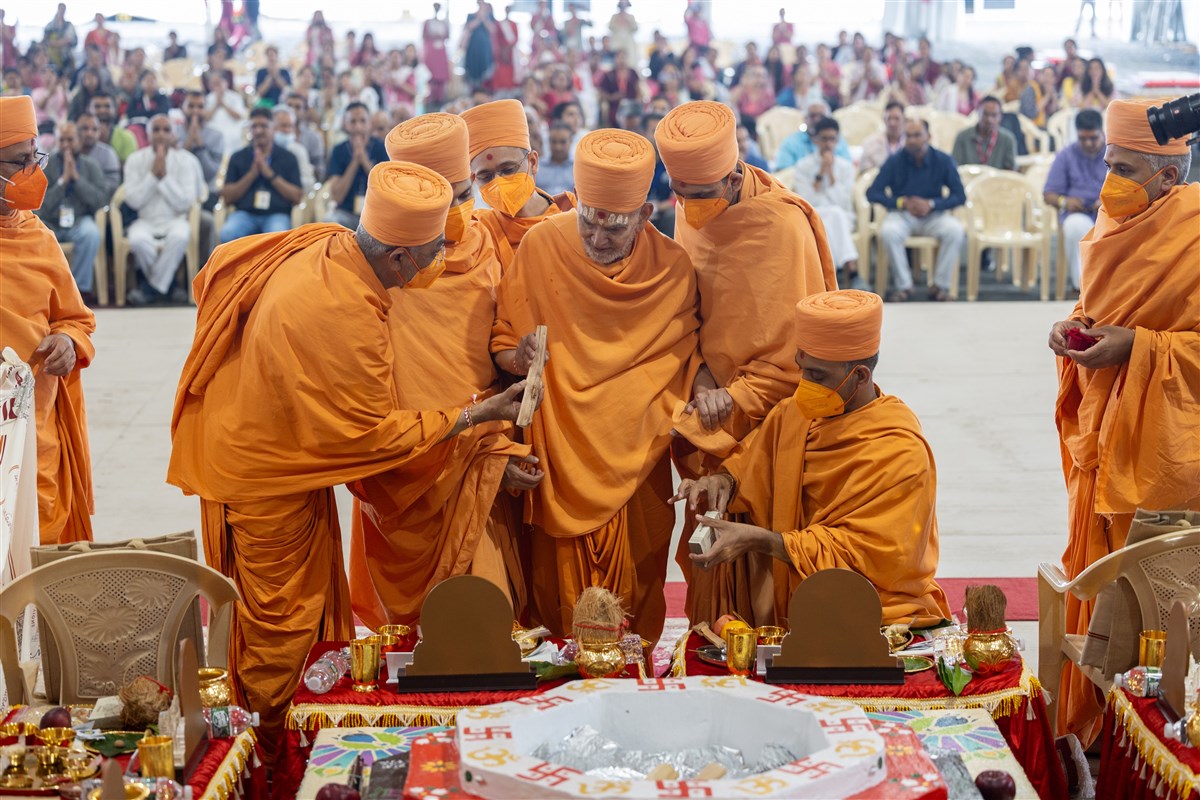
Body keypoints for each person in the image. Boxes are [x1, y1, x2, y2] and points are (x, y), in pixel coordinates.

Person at [168, 159, 536, 760]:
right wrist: (478, 413)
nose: (439, 262)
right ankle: (272, 757)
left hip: (273, 444)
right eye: (430, 254)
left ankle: (294, 739)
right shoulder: (344, 312)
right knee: (282, 625)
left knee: (309, 611)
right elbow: (373, 436)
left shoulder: (327, 245)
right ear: (396, 259)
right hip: (262, 473)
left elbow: (219, 268)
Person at [491, 128, 700, 644]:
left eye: (615, 228)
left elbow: (682, 363)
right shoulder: (542, 245)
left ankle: (633, 691)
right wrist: (514, 356)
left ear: (647, 215)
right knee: (558, 604)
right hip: (561, 453)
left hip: (639, 456)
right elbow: (503, 339)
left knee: (638, 588)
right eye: (588, 222)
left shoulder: (673, 269)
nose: (597, 239)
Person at [1048, 98, 1199, 745]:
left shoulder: (1193, 230)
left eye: (1127, 167)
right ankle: (1100, 731)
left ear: (1169, 174)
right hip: (1105, 431)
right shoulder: (1109, 225)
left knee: (1154, 597)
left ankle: (1154, 733)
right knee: (1101, 580)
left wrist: (1136, 347)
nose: (1111, 179)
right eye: (1108, 163)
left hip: (1167, 445)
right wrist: (1074, 329)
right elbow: (1101, 307)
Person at [348, 113, 537, 628]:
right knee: (412, 634)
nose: (458, 212)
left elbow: (502, 355)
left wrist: (499, 451)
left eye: (463, 194)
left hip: (482, 454)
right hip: (408, 465)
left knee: (486, 615)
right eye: (443, 200)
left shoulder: (491, 241)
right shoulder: (383, 265)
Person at [654, 101, 836, 625]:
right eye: (679, 195)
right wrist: (703, 376)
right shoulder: (693, 205)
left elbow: (797, 357)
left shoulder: (778, 226)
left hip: (765, 414)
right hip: (708, 395)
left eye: (700, 195)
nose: (688, 207)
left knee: (764, 559)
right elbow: (693, 308)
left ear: (733, 179)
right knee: (710, 551)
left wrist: (731, 396)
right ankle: (714, 646)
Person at [673, 290, 951, 628]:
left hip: (871, 611)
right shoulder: (795, 414)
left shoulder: (900, 450)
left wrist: (762, 540)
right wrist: (721, 482)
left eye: (818, 377)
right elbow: (752, 464)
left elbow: (871, 555)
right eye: (802, 369)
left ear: (860, 376)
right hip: (792, 600)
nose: (804, 385)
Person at [0, 96, 95, 544]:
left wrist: (68, 342)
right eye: (19, 162)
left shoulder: (40, 237)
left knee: (42, 544)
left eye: (35, 158)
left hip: (35, 426)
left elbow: (76, 319)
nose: (33, 173)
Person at [462, 98, 568, 272]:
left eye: (508, 169)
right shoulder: (478, 231)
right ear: (473, 180)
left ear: (533, 162)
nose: (498, 183)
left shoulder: (570, 217)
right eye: (485, 176)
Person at [869, 118, 966, 302]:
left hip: (933, 215)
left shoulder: (943, 160)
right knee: (888, 232)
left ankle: (939, 286)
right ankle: (904, 286)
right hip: (902, 215)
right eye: (909, 136)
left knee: (955, 230)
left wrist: (932, 204)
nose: (912, 140)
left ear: (928, 136)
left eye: (917, 135)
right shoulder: (895, 161)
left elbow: (959, 196)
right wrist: (901, 203)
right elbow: (873, 193)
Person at [122, 115, 207, 305]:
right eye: (156, 130)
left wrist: (165, 179)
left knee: (180, 236)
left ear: (173, 134)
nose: (161, 134)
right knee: (137, 240)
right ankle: (168, 287)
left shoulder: (186, 160)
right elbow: (133, 200)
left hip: (175, 219)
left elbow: (185, 202)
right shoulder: (135, 160)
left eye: (166, 130)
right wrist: (153, 177)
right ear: (148, 134)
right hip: (145, 220)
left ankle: (150, 288)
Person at [34, 121, 108, 299]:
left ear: (79, 141)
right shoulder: (45, 166)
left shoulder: (91, 165)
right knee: (36, 233)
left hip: (79, 220)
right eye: (62, 140)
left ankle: (79, 290)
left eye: (70, 140)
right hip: (51, 221)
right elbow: (38, 205)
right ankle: (48, 290)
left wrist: (76, 179)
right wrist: (62, 182)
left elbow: (100, 200)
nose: (66, 145)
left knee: (91, 233)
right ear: (56, 142)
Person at [793, 117, 863, 288]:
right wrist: (822, 171)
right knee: (830, 216)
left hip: (841, 216)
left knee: (835, 215)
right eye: (824, 139)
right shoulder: (803, 166)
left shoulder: (846, 167)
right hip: (814, 214)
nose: (828, 144)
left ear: (837, 141)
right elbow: (807, 200)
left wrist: (830, 173)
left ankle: (829, 276)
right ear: (816, 140)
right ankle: (851, 270)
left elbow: (842, 201)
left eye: (832, 139)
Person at [1042, 109, 1106, 292]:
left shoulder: (1115, 152)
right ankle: (1083, 290)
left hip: (1111, 213)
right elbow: (1049, 193)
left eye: (1093, 138)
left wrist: (1109, 201)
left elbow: (1132, 187)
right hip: (1079, 214)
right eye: (1083, 138)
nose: (1088, 143)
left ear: (1101, 131)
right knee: (1075, 227)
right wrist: (1064, 201)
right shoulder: (1066, 155)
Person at [218, 107, 302, 242]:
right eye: (254, 126)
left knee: (278, 238)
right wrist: (251, 174)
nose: (258, 131)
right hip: (245, 214)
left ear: (273, 129)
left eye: (264, 126)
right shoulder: (238, 157)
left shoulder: (288, 157)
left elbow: (297, 196)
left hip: (277, 214)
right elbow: (227, 198)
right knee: (228, 233)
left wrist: (270, 174)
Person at [325, 102, 388, 229]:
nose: (358, 127)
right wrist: (354, 161)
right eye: (353, 122)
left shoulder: (382, 147)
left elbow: (386, 188)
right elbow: (337, 196)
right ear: (346, 125)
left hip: (375, 214)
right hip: (346, 213)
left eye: (362, 121)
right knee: (329, 221)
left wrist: (364, 160)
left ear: (369, 123)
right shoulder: (338, 150)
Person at [774, 100, 852, 171]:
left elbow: (848, 169)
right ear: (805, 119)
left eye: (821, 116)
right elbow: (783, 172)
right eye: (812, 116)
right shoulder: (791, 143)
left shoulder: (839, 142)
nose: (817, 120)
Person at [951, 96, 1017, 171]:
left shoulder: (1007, 139)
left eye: (994, 115)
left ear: (1000, 117)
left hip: (997, 181)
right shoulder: (963, 137)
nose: (989, 120)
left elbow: (1011, 171)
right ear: (978, 113)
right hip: (968, 180)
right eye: (985, 114)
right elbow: (955, 167)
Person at [178, 90, 224, 199]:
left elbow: (210, 173)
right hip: (178, 191)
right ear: (182, 108)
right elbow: (175, 168)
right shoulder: (172, 133)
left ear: (206, 110)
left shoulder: (216, 136)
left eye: (200, 107)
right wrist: (189, 140)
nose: (195, 111)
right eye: (191, 106)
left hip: (207, 193)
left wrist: (199, 144)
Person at [75, 112, 119, 197]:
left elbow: (112, 187)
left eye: (95, 129)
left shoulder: (108, 153)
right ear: (76, 130)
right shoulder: (68, 152)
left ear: (99, 132)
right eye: (85, 128)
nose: (89, 133)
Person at [272, 106, 314, 190]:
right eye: (283, 126)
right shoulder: (264, 149)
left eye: (290, 126)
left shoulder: (299, 150)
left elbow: (308, 183)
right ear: (272, 127)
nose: (287, 130)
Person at [285, 92, 325, 181]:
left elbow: (320, 171)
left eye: (297, 107)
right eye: (289, 106)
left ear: (305, 112)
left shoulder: (313, 138)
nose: (292, 110)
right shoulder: (275, 135)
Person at [858, 101, 906, 174]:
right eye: (889, 118)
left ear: (904, 119)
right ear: (884, 120)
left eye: (896, 119)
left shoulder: (912, 142)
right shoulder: (870, 142)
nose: (892, 123)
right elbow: (864, 172)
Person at [205, 72, 247, 155]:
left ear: (225, 83)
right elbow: (206, 118)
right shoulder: (208, 98)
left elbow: (239, 116)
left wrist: (223, 104)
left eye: (218, 83)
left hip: (233, 133)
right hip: (214, 134)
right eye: (213, 83)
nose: (216, 86)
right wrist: (216, 104)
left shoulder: (235, 97)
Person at [88, 92, 135, 162]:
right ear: (89, 109)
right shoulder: (80, 137)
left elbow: (129, 168)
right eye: (97, 107)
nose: (102, 110)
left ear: (114, 110)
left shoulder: (127, 137)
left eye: (107, 106)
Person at [599, 50, 640, 128]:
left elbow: (638, 88)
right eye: (619, 58)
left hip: (631, 104)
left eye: (623, 58)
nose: (621, 60)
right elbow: (602, 93)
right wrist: (611, 97)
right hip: (615, 106)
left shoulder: (633, 72)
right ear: (615, 59)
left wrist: (637, 102)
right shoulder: (610, 74)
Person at [423, 3, 451, 106]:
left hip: (441, 52)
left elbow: (447, 36)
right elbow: (424, 37)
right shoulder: (428, 22)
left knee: (441, 77)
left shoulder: (443, 22)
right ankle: (430, 98)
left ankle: (440, 98)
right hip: (431, 52)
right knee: (431, 76)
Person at [536, 121, 574, 196]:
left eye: (563, 142)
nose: (558, 147)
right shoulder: (537, 167)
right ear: (548, 142)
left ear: (571, 142)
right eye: (554, 142)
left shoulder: (578, 169)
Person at [43, 4, 78, 74]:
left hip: (67, 59)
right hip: (52, 59)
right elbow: (45, 42)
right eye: (61, 9)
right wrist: (62, 42)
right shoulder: (49, 26)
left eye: (63, 9)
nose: (62, 11)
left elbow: (75, 41)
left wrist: (58, 43)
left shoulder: (69, 25)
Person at [608, 0, 638, 69]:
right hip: (617, 43)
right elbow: (610, 27)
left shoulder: (631, 17)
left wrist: (627, 21)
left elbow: (635, 28)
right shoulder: (614, 17)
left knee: (630, 62)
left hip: (628, 43)